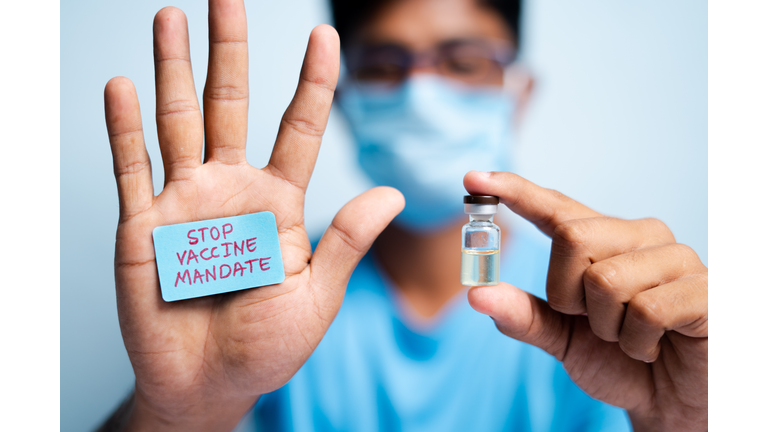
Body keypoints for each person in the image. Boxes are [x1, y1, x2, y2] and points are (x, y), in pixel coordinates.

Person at [99, 0, 708, 431]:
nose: (422, 94)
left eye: (463, 61)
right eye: (384, 66)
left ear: (517, 94)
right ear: (344, 104)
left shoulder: (601, 318)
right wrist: (178, 418)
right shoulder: (264, 293)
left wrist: (686, 426)